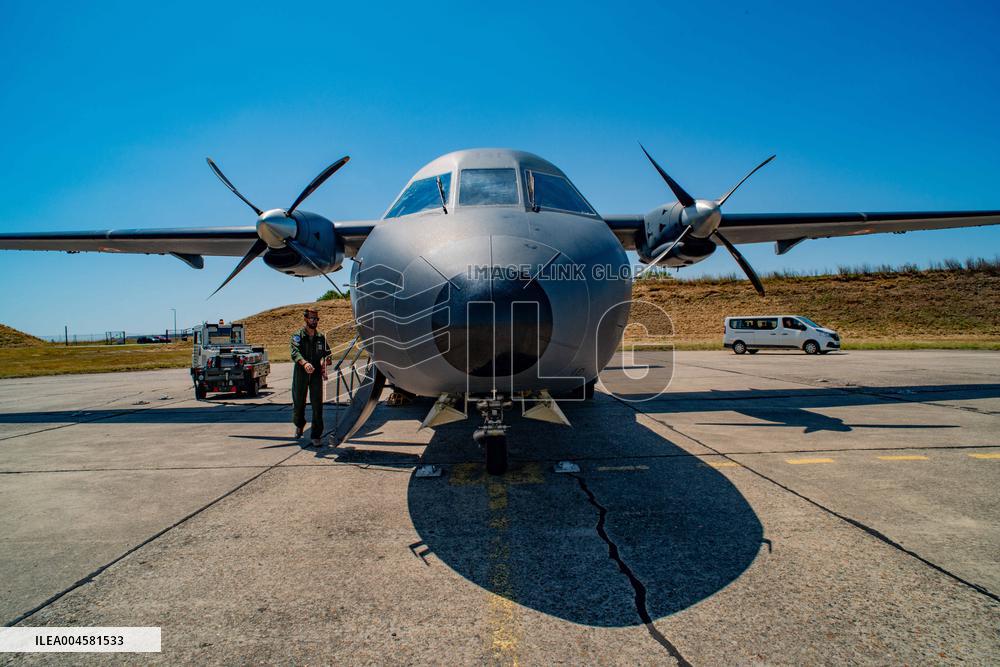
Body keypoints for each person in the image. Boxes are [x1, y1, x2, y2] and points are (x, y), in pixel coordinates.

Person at [290, 308, 332, 447]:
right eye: (312, 318)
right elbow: (295, 353)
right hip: (301, 373)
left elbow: (328, 354)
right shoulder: (298, 336)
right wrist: (305, 363)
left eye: (316, 319)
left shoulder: (321, 338)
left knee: (317, 406)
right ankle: (299, 424)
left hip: (315, 375)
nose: (315, 321)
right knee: (298, 404)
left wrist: (324, 362)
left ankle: (316, 435)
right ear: (306, 319)